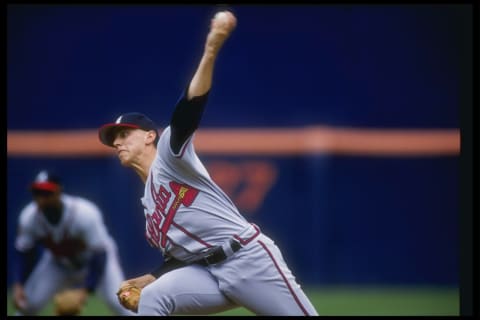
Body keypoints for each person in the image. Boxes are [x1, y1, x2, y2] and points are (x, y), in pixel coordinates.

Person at [97, 10, 318, 316]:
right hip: (208, 274)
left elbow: (189, 108)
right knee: (154, 297)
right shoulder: (149, 206)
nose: (117, 142)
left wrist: (211, 50)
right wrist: (151, 277)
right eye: (113, 139)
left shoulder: (169, 157)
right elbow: (184, 255)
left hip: (248, 259)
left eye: (123, 134)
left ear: (150, 136)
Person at [12, 169, 134, 316]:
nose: (42, 199)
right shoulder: (29, 218)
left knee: (119, 303)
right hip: (59, 264)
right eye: (37, 193)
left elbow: (99, 255)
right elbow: (24, 252)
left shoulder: (84, 213)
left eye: (47, 193)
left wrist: (84, 291)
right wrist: (19, 285)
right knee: (27, 304)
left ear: (59, 192)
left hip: (95, 262)